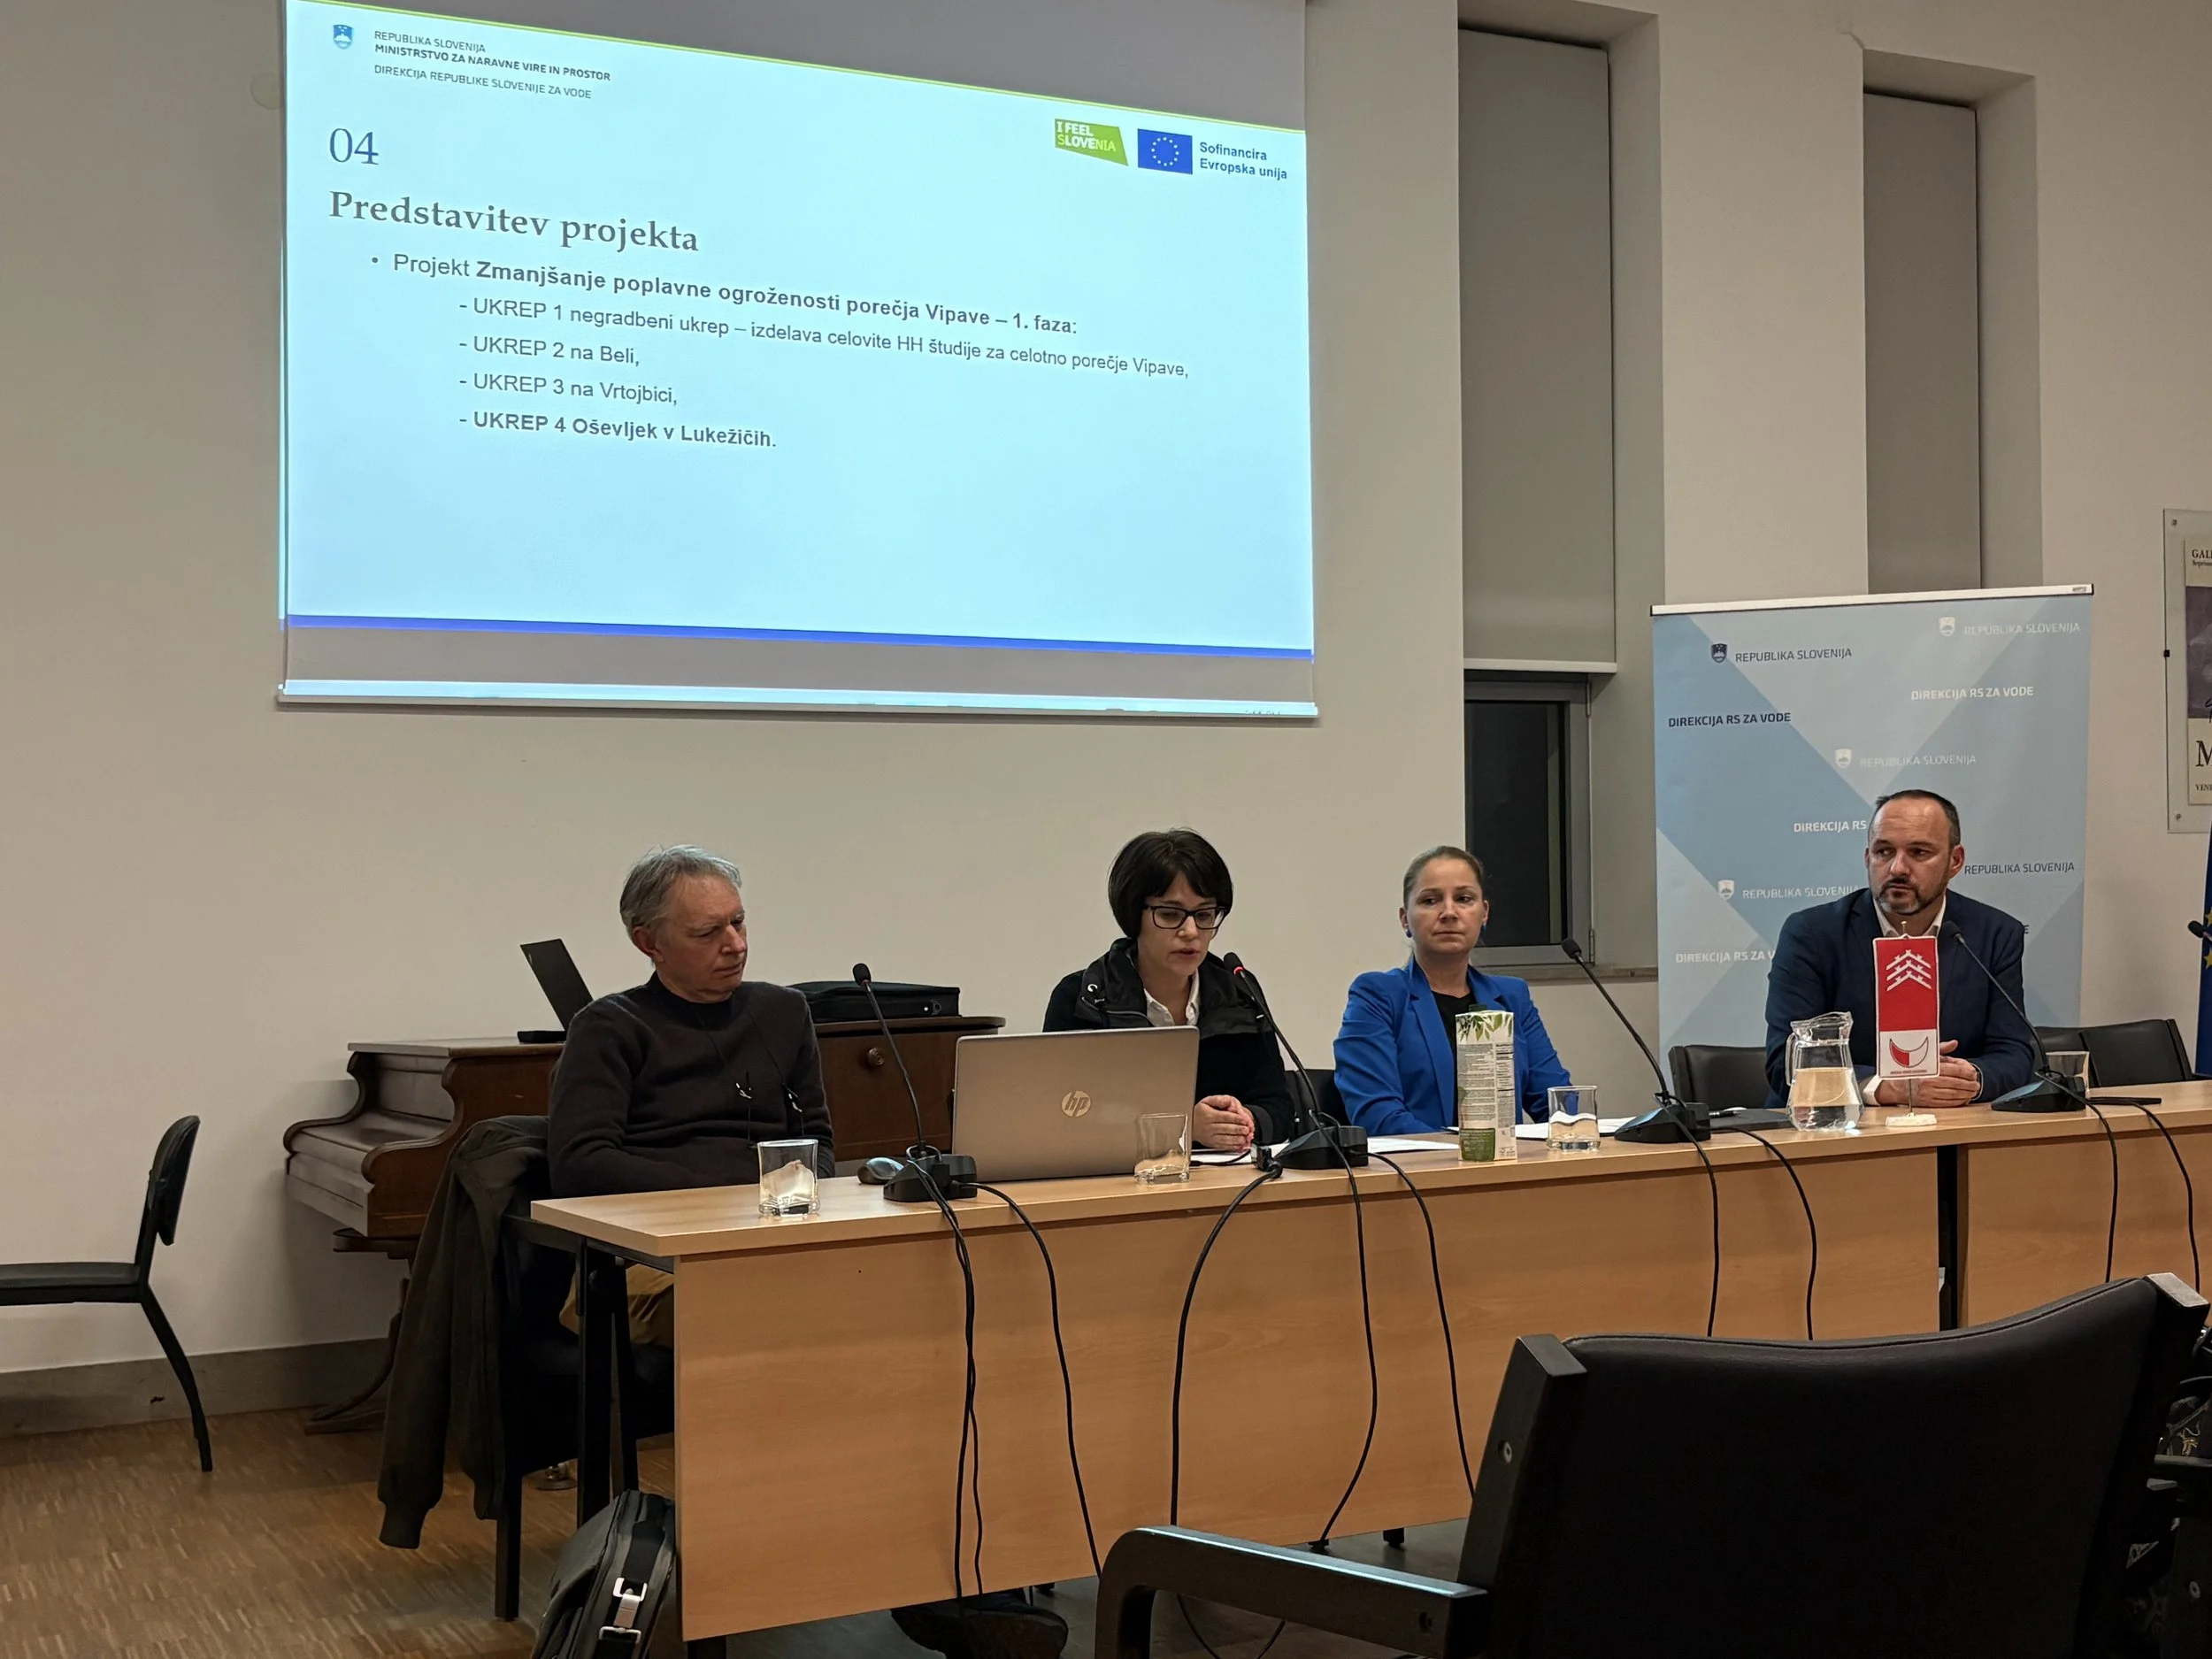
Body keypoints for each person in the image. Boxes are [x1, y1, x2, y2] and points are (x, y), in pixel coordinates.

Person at [547, 845, 834, 1346]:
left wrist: (783, 1206)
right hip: (648, 1255)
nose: (735, 945)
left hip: (770, 1237)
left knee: (881, 1286)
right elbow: (580, 1164)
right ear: (648, 942)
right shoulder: (609, 1027)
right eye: (707, 933)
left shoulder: (784, 1013)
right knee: (764, 1307)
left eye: (738, 923)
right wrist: (726, 1197)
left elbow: (819, 1145)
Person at [1763, 788, 2037, 1108]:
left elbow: (2014, 1053)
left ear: (1955, 861)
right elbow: (1786, 1062)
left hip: (1952, 1125)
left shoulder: (1993, 934)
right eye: (1884, 852)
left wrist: (1968, 1079)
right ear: (1868, 857)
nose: (1897, 868)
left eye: (1919, 852)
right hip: (1830, 1127)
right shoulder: (1813, 934)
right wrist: (1888, 1088)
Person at [1042, 828, 1296, 1149]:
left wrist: (1245, 1120)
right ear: (1134, 915)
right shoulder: (1084, 998)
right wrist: (1184, 1126)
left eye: (1204, 914)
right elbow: (1065, 1117)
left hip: (1228, 1175)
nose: (1190, 931)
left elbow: (1280, 1108)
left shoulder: (1239, 992)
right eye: (1170, 914)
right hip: (1120, 1177)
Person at [1333, 846, 1571, 1131]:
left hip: (1506, 1158)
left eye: (1463, 899)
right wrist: (1464, 1151)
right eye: (1430, 900)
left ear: (1484, 913)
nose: (1449, 912)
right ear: (1405, 918)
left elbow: (1559, 1106)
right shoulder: (1378, 995)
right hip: (1420, 1160)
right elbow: (1377, 1116)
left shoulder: (1512, 997)